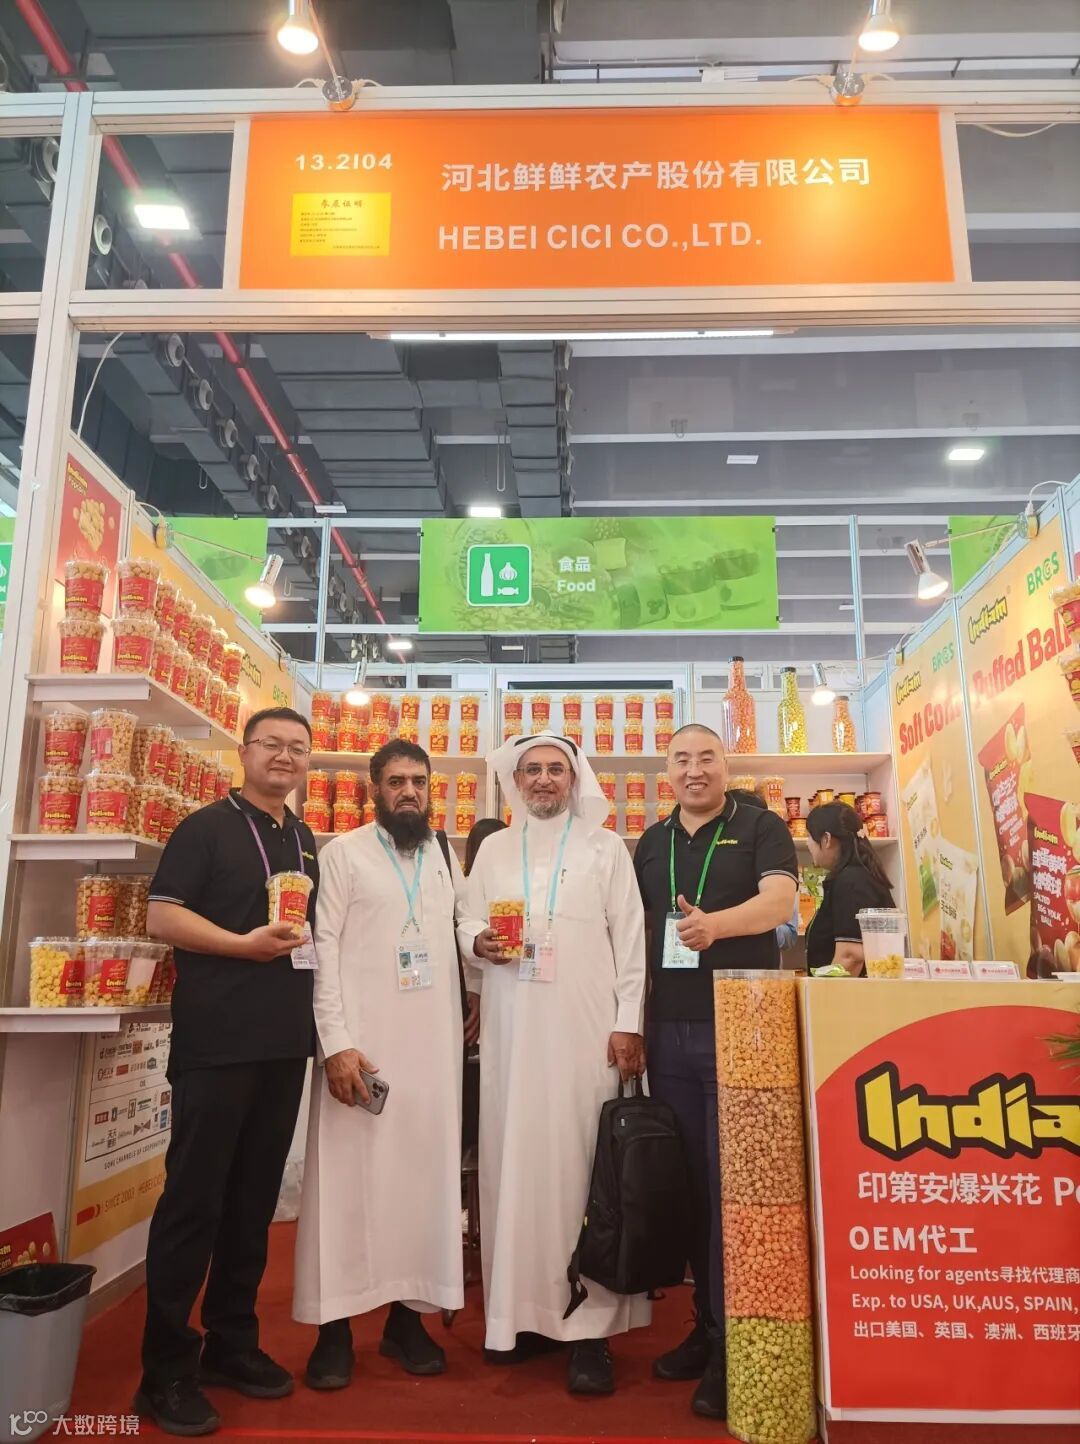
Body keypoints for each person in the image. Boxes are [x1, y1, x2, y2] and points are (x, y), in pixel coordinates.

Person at [136, 707, 320, 1438]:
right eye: (272, 744)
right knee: (194, 1205)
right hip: (216, 1045)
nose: (285, 757)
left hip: (283, 1045)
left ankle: (231, 1343)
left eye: (298, 748)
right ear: (244, 753)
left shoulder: (303, 838)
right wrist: (242, 946)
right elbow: (161, 917)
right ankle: (165, 1370)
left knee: (252, 1205)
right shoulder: (206, 828)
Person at [458, 733, 648, 1396]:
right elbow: (465, 921)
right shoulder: (494, 850)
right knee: (512, 1167)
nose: (543, 779)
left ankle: (589, 1330)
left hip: (584, 1033)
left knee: (580, 1170)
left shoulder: (604, 848)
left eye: (555, 770)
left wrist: (628, 1023)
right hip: (510, 1035)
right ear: (516, 781)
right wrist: (476, 943)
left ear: (574, 779)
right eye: (532, 769)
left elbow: (631, 940)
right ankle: (519, 1317)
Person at [293, 739, 477, 1388]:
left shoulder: (443, 856)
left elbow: (463, 930)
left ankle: (407, 1322)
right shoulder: (342, 854)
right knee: (346, 1189)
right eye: (396, 781)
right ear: (375, 789)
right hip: (360, 1054)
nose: (409, 792)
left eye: (419, 782)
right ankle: (334, 1330)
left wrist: (480, 963)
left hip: (433, 1054)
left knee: (422, 1186)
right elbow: (319, 952)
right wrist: (335, 1044)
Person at [633, 724, 798, 1421]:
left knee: (738, 1185)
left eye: (706, 758)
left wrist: (715, 927)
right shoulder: (652, 841)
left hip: (743, 1024)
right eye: (681, 760)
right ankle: (706, 1326)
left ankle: (737, 1344)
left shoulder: (761, 826)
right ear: (666, 772)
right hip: (667, 1030)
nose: (694, 770)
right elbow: (634, 932)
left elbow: (781, 903)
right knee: (691, 1183)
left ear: (726, 766)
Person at [805, 801, 895, 975]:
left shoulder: (851, 881)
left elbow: (850, 957)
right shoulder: (858, 876)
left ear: (826, 839)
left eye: (809, 836)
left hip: (851, 991)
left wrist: (827, 991)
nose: (808, 843)